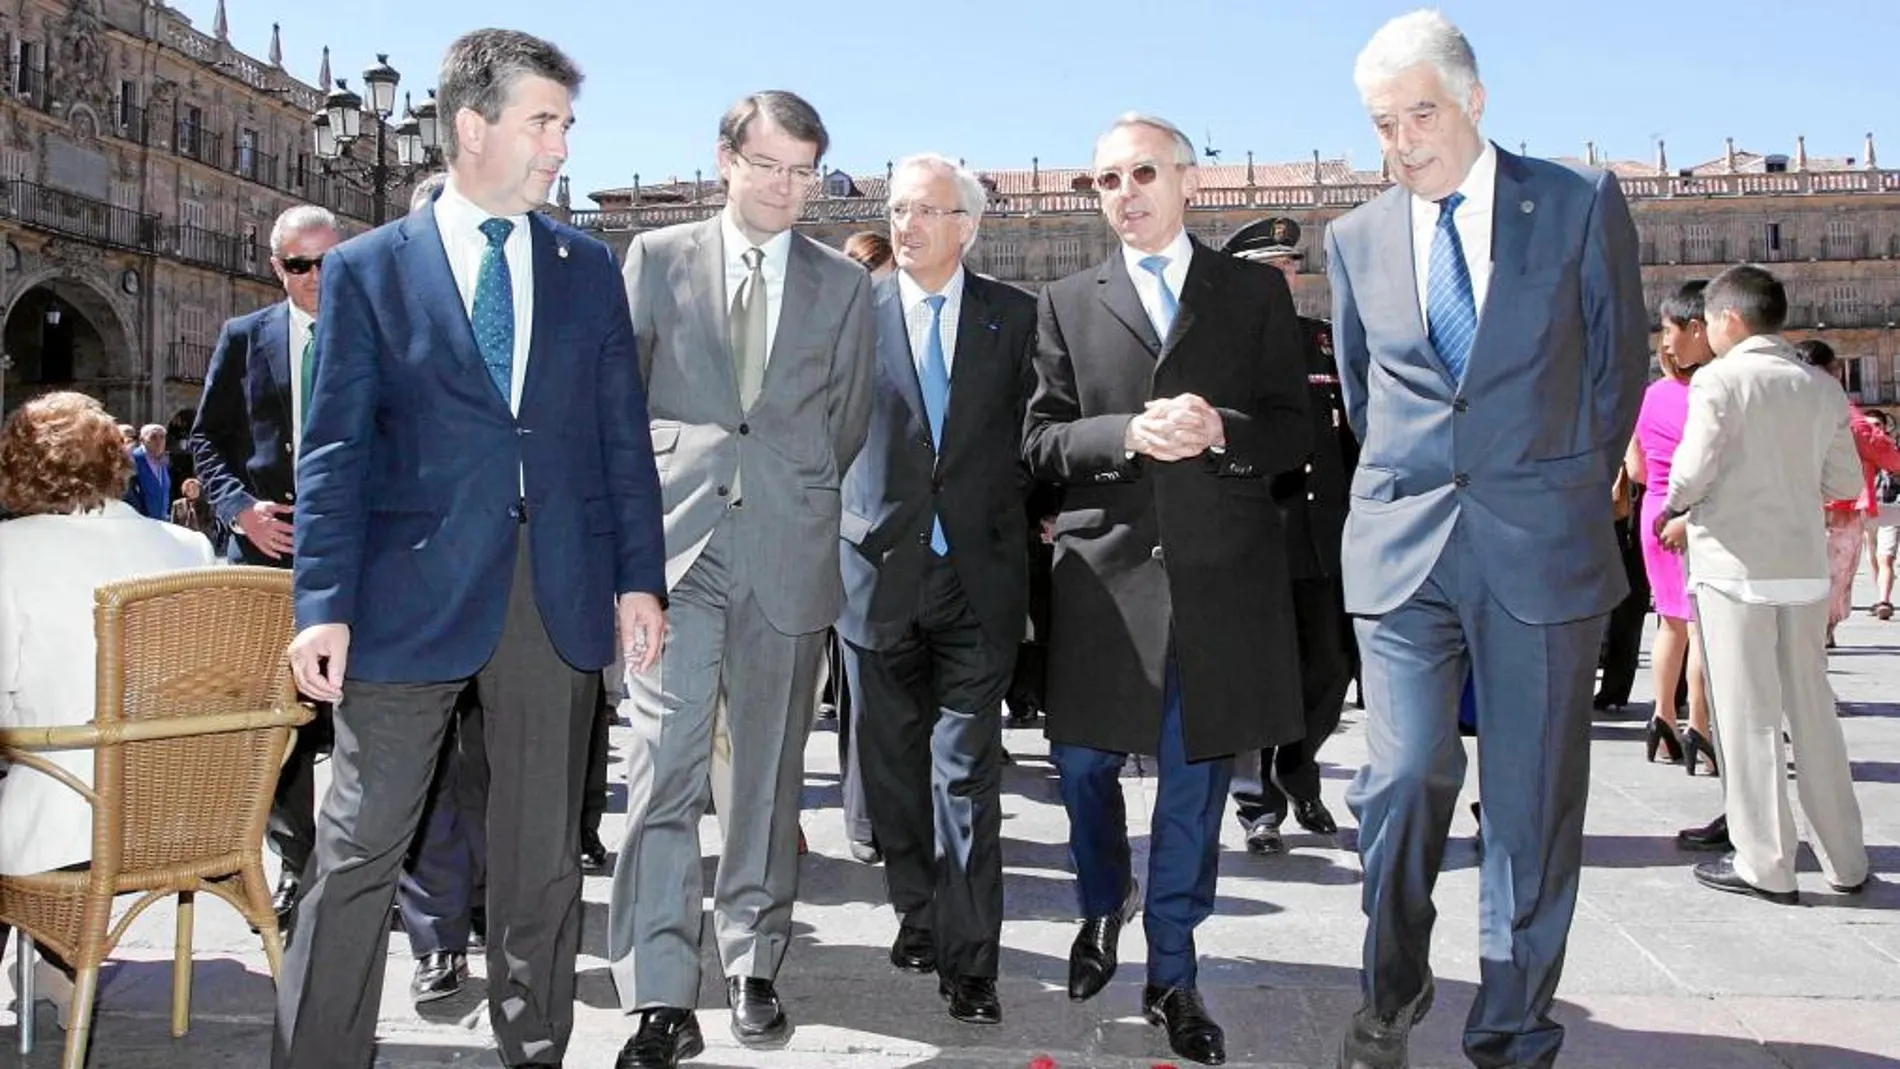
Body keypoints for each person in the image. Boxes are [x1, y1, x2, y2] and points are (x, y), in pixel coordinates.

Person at [275, 29, 667, 1069]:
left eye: (566, 125)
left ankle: (534, 1049)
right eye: (543, 122)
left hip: (558, 591)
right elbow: (334, 453)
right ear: (470, 126)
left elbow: (618, 438)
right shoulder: (366, 271)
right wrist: (321, 602)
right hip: (404, 597)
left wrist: (639, 577)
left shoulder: (587, 269)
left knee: (541, 857)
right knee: (358, 849)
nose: (560, 147)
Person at [1325, 11, 1648, 1068]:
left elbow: (1614, 371)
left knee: (1529, 801)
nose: (1403, 140)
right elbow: (1368, 397)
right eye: (1383, 122)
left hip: (1540, 544)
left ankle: (1512, 1022)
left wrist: (1555, 480)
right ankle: (1394, 977)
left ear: (1473, 100)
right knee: (1405, 773)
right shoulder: (1354, 237)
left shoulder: (1575, 203)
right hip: (1405, 548)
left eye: (1421, 111)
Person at [1024, 112, 1311, 1067]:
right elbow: (1041, 441)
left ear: (1188, 179)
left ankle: (1175, 975)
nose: (1126, 193)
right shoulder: (1066, 300)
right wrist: (1122, 436)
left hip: (1217, 583)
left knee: (1191, 790)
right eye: (1106, 180)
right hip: (1103, 584)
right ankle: (1105, 900)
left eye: (1143, 172)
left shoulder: (1252, 294)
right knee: (1080, 770)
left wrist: (1218, 427)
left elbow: (1292, 431)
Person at [606, 90, 874, 1069]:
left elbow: (841, 425)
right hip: (673, 556)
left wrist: (787, 493)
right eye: (768, 165)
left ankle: (754, 964)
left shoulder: (843, 287)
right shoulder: (657, 260)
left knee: (763, 780)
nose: (786, 188)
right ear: (724, 161)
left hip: (785, 554)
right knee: (660, 773)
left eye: (804, 172)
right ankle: (659, 996)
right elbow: (619, 410)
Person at [834, 153, 1037, 1026]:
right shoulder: (851, 313)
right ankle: (917, 908)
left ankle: (970, 959)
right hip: (874, 577)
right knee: (889, 775)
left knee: (966, 778)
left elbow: (1042, 432)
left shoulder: (1017, 317)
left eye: (927, 210)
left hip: (977, 583)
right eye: (898, 208)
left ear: (968, 225)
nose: (907, 224)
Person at [0, 392, 217, 1028]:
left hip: (67, 819)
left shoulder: (10, 554)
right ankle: (58, 962)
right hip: (181, 818)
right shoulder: (187, 548)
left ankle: (60, 954)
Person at [1655, 264, 1870, 905]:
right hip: (1801, 569)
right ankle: (1846, 859)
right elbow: (1842, 483)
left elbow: (1691, 473)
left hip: (1733, 568)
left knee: (1747, 718)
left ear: (1728, 319)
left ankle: (1765, 862)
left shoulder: (1721, 380)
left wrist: (1675, 507)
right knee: (1813, 713)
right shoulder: (1819, 386)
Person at [188, 203, 343, 934]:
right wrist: (239, 508)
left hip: (354, 558)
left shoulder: (375, 333)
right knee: (277, 722)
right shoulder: (244, 338)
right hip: (265, 556)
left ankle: (371, 870)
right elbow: (207, 440)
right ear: (276, 267)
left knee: (364, 717)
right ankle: (292, 864)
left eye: (329, 262)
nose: (317, 278)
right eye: (301, 265)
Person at [1222, 216, 1357, 857]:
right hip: (1256, 538)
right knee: (1259, 672)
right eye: (1272, 266)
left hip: (1323, 537)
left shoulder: (1324, 344)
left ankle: (1298, 771)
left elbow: (1353, 440)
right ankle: (1258, 804)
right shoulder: (1221, 352)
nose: (1286, 275)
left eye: (1291, 265)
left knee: (1330, 670)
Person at [1627, 282, 1716, 773]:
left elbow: (1637, 471)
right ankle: (1699, 728)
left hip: (1653, 513)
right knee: (1703, 630)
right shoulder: (1712, 396)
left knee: (1668, 625)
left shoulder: (1649, 396)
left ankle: (1661, 720)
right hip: (1693, 516)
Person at [1795, 339, 1900, 646]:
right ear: (1835, 372)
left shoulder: (1779, 410)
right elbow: (1888, 455)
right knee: (1834, 582)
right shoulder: (1851, 419)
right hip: (1841, 510)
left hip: (1791, 506)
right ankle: (1820, 635)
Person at [169, 476, 228, 557]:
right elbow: (173, 525)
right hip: (183, 541)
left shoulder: (208, 504)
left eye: (195, 488)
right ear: (185, 491)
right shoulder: (177, 504)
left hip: (203, 541)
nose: (193, 491)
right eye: (189, 489)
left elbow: (211, 525)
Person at [123, 423, 172, 519]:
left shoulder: (163, 462)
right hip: (139, 522)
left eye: (162, 437)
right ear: (142, 440)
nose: (159, 441)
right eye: (153, 437)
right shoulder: (133, 459)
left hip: (160, 523)